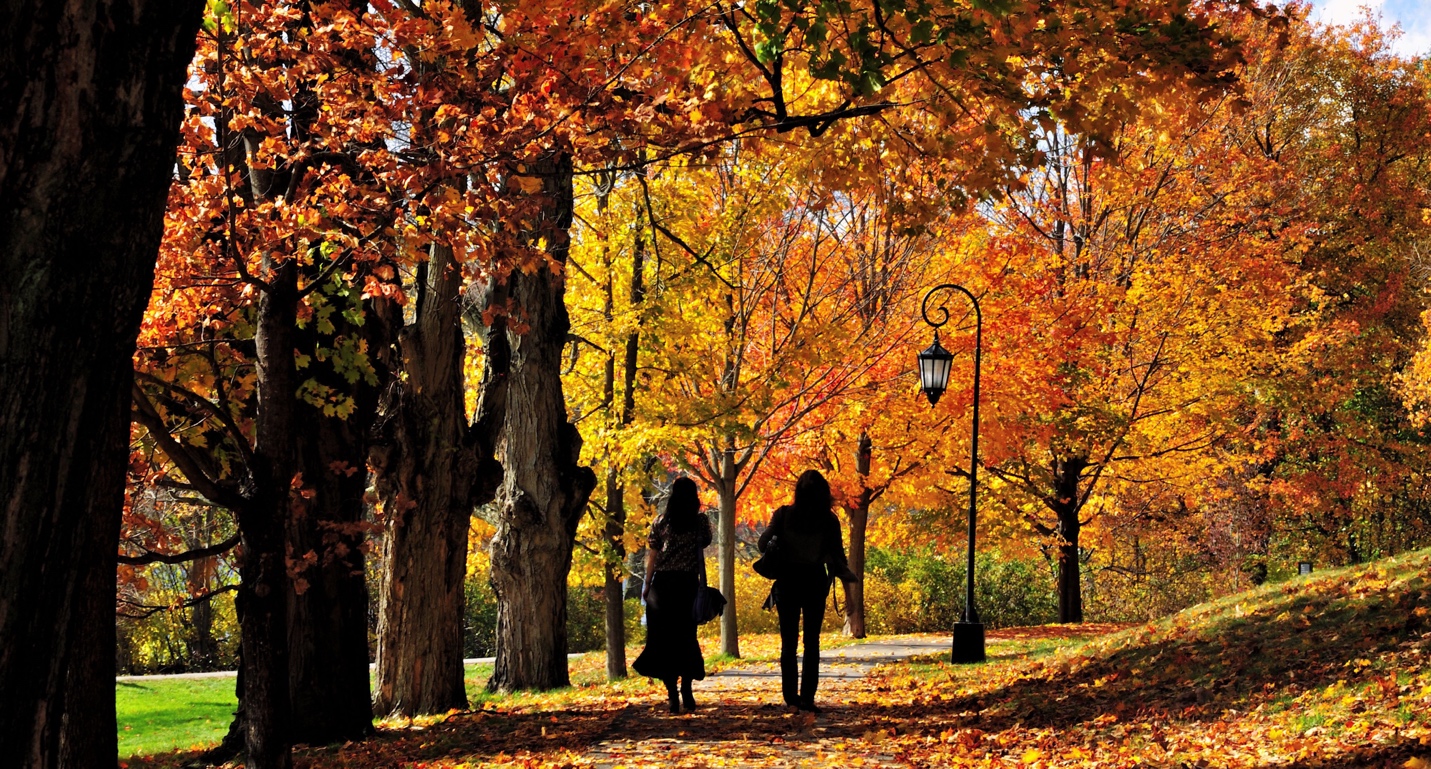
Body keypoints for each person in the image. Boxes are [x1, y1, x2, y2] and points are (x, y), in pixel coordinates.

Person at [757, 469, 858, 713]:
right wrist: (850, 598)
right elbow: (839, 560)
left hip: (787, 582)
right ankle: (807, 697)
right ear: (824, 493)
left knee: (788, 642)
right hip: (814, 582)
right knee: (812, 642)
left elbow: (762, 544)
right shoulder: (829, 520)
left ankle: (791, 697)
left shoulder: (783, 515)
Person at [633, 477, 712, 714]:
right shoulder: (699, 523)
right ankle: (687, 690)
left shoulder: (660, 522)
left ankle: (672, 696)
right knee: (686, 638)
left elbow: (652, 555)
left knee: (663, 641)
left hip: (663, 587)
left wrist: (647, 585)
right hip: (687, 585)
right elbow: (706, 542)